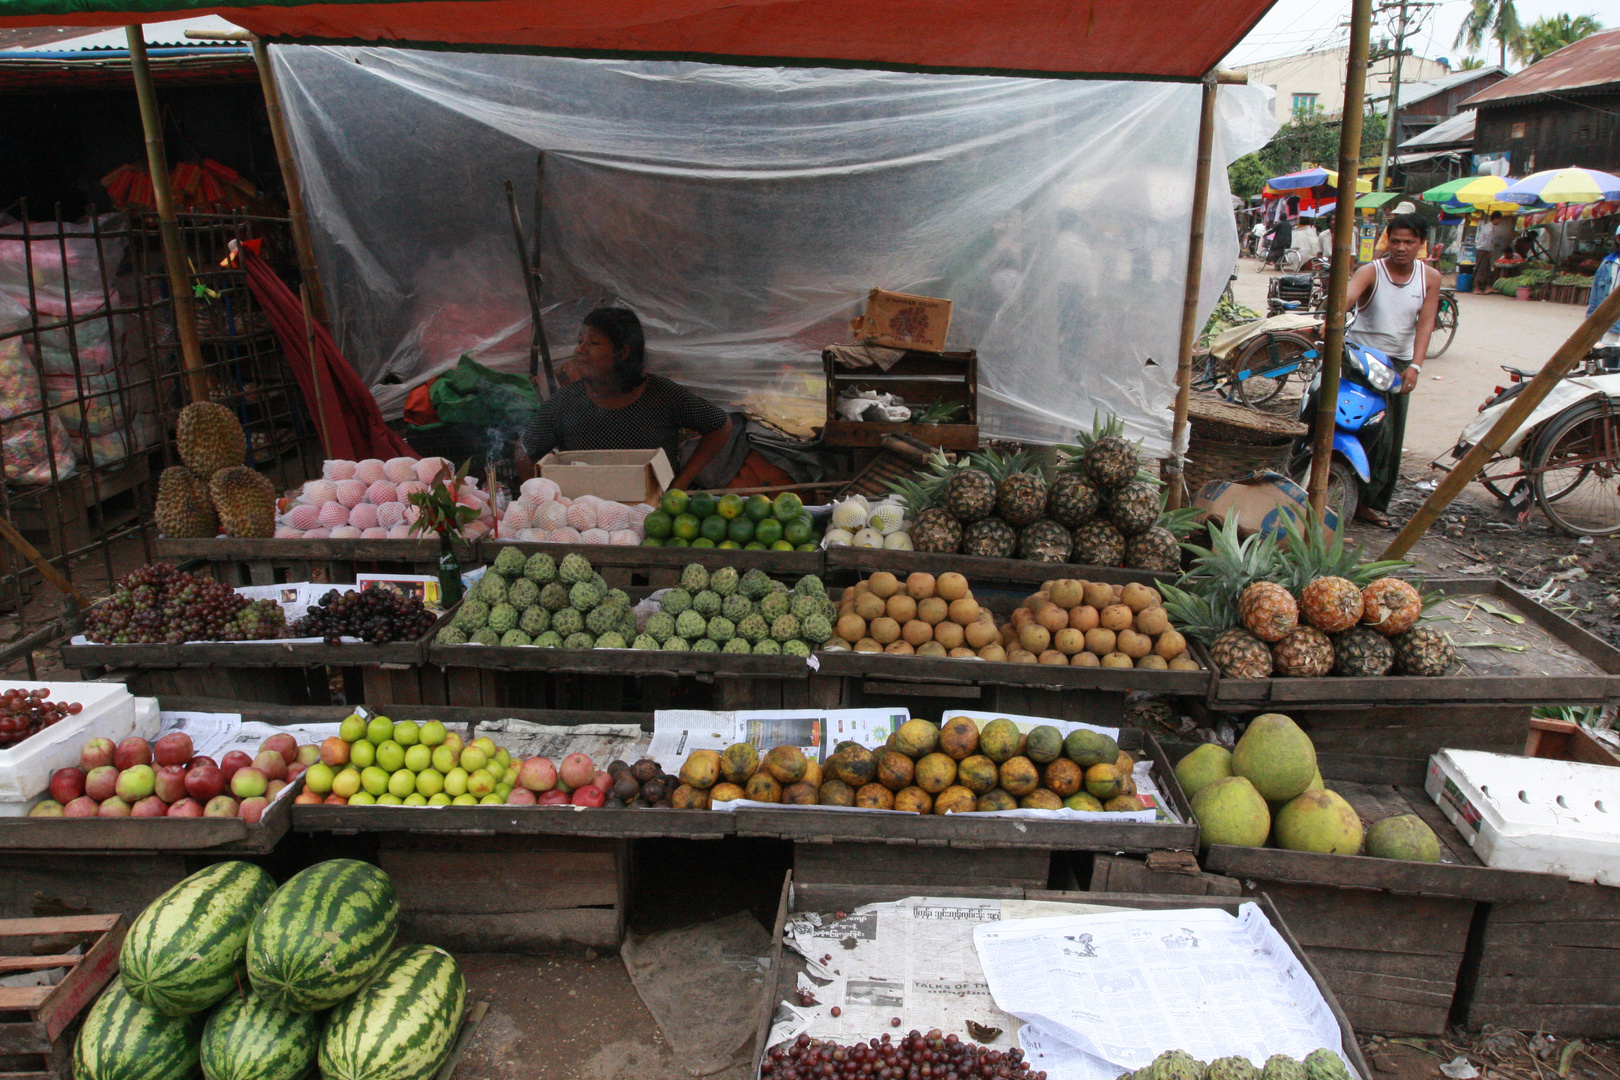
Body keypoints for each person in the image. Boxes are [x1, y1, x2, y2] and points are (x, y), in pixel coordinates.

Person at [515, 307, 733, 490]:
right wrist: (543, 499)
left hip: (653, 516)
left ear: (623, 352)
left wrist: (680, 484)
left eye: (593, 343)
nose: (580, 350)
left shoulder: (663, 395)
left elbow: (720, 425)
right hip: (587, 521)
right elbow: (525, 451)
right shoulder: (566, 401)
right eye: (580, 341)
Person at [1340, 211, 1442, 527]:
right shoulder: (1371, 271)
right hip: (1359, 360)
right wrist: (1329, 316)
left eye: (1409, 242)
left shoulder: (1430, 279)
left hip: (1396, 366)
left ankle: (1370, 502)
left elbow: (1425, 324)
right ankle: (1338, 491)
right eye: (1395, 241)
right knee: (1351, 426)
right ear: (1388, 241)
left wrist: (1415, 366)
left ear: (1421, 244)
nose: (1401, 248)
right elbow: (1347, 297)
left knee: (1388, 437)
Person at [1588, 223, 1620, 346]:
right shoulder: (1607, 264)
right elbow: (1595, 295)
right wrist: (1590, 322)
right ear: (1617, 240)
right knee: (1608, 358)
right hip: (1608, 323)